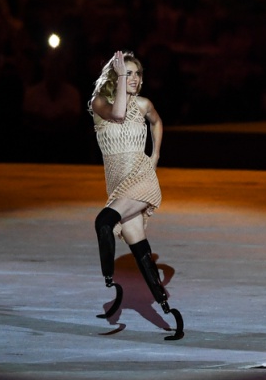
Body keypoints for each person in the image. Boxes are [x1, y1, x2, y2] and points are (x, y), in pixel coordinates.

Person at [89, 50, 183, 339]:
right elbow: (116, 114)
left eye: (137, 74)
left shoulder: (143, 104)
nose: (134, 78)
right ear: (115, 75)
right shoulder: (98, 102)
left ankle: (109, 283)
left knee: (104, 222)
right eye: (127, 73)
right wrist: (117, 80)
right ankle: (168, 310)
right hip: (118, 185)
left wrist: (155, 156)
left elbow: (157, 122)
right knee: (139, 247)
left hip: (142, 180)